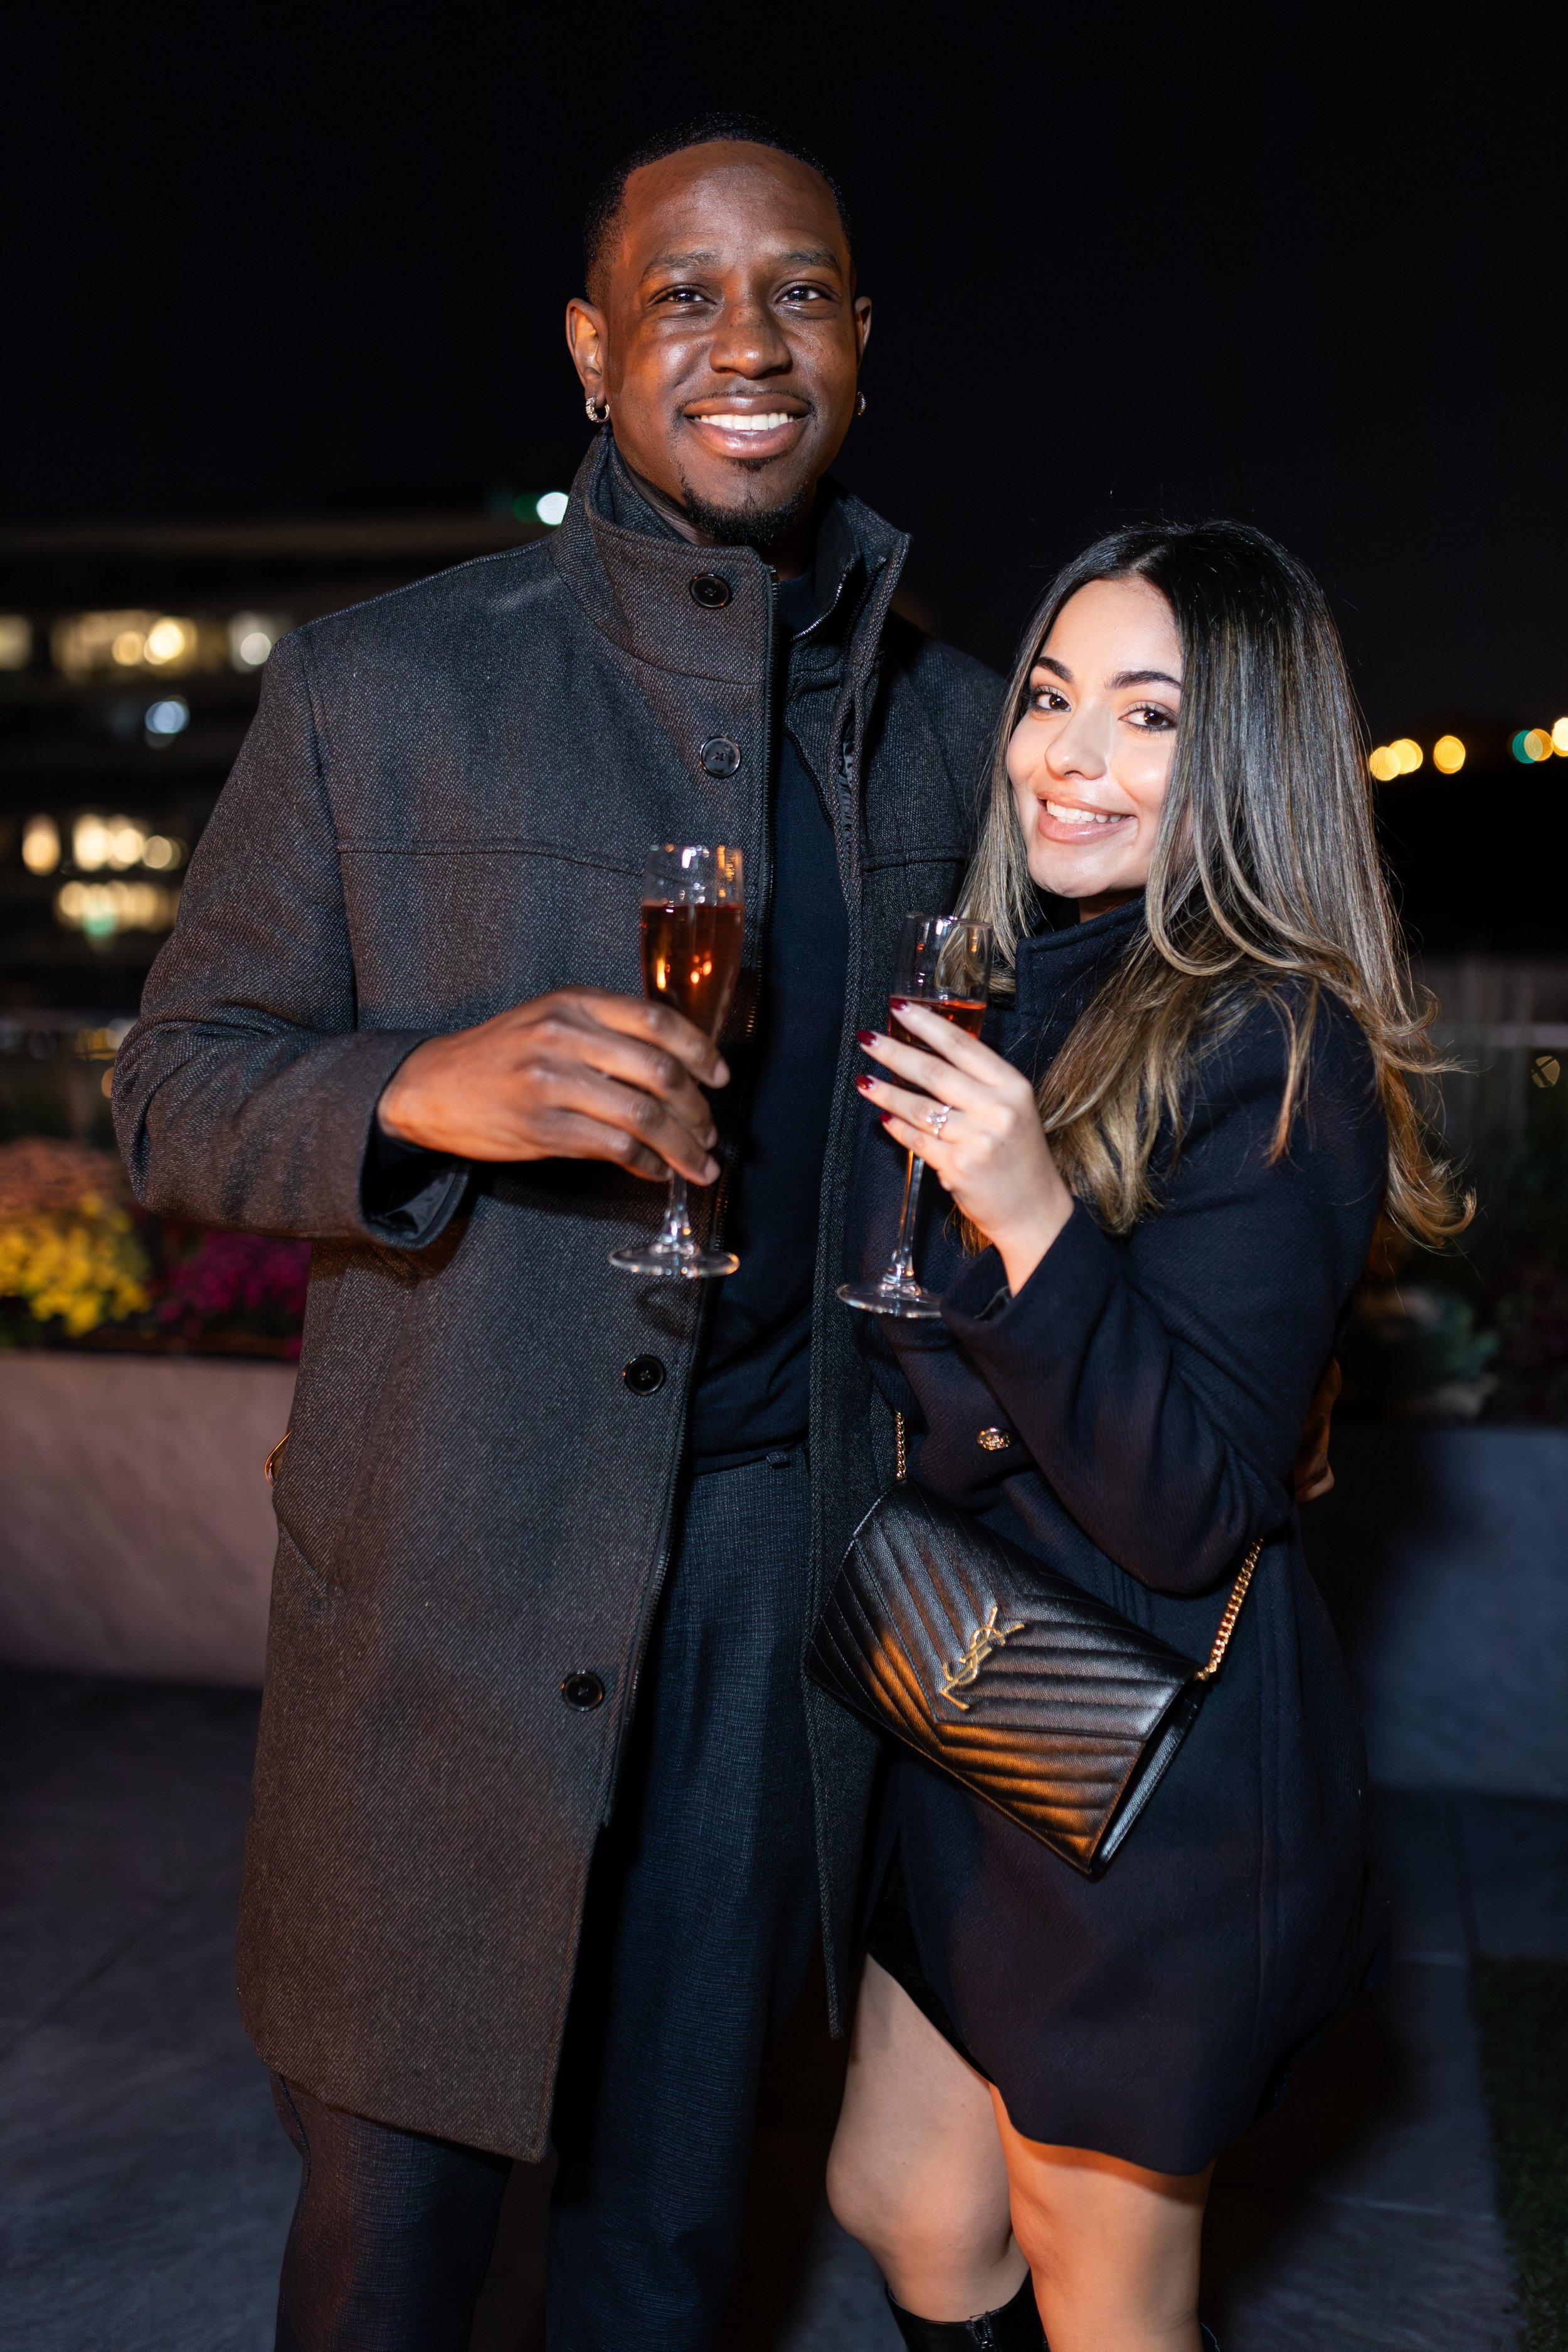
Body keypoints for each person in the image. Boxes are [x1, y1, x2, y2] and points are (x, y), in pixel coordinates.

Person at [112, 115, 1004, 2350]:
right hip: (441, 1581)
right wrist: (413, 1088)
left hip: (775, 1594)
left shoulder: (970, 734)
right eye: (684, 295)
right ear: (594, 353)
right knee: (389, 2240)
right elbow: (174, 1089)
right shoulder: (375, 687)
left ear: (862, 349)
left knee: (668, 2239)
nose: (745, 338)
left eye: (796, 290)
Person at [822, 522, 1469, 2352]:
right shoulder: (1016, 974)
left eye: (1143, 715)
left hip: (1149, 1776)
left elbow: (1189, 1504)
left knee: (1102, 2288)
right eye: (1046, 697)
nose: (1062, 755)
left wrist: (1027, 1213)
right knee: (902, 2202)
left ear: (1244, 762)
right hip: (971, 1699)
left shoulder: (1277, 1042)